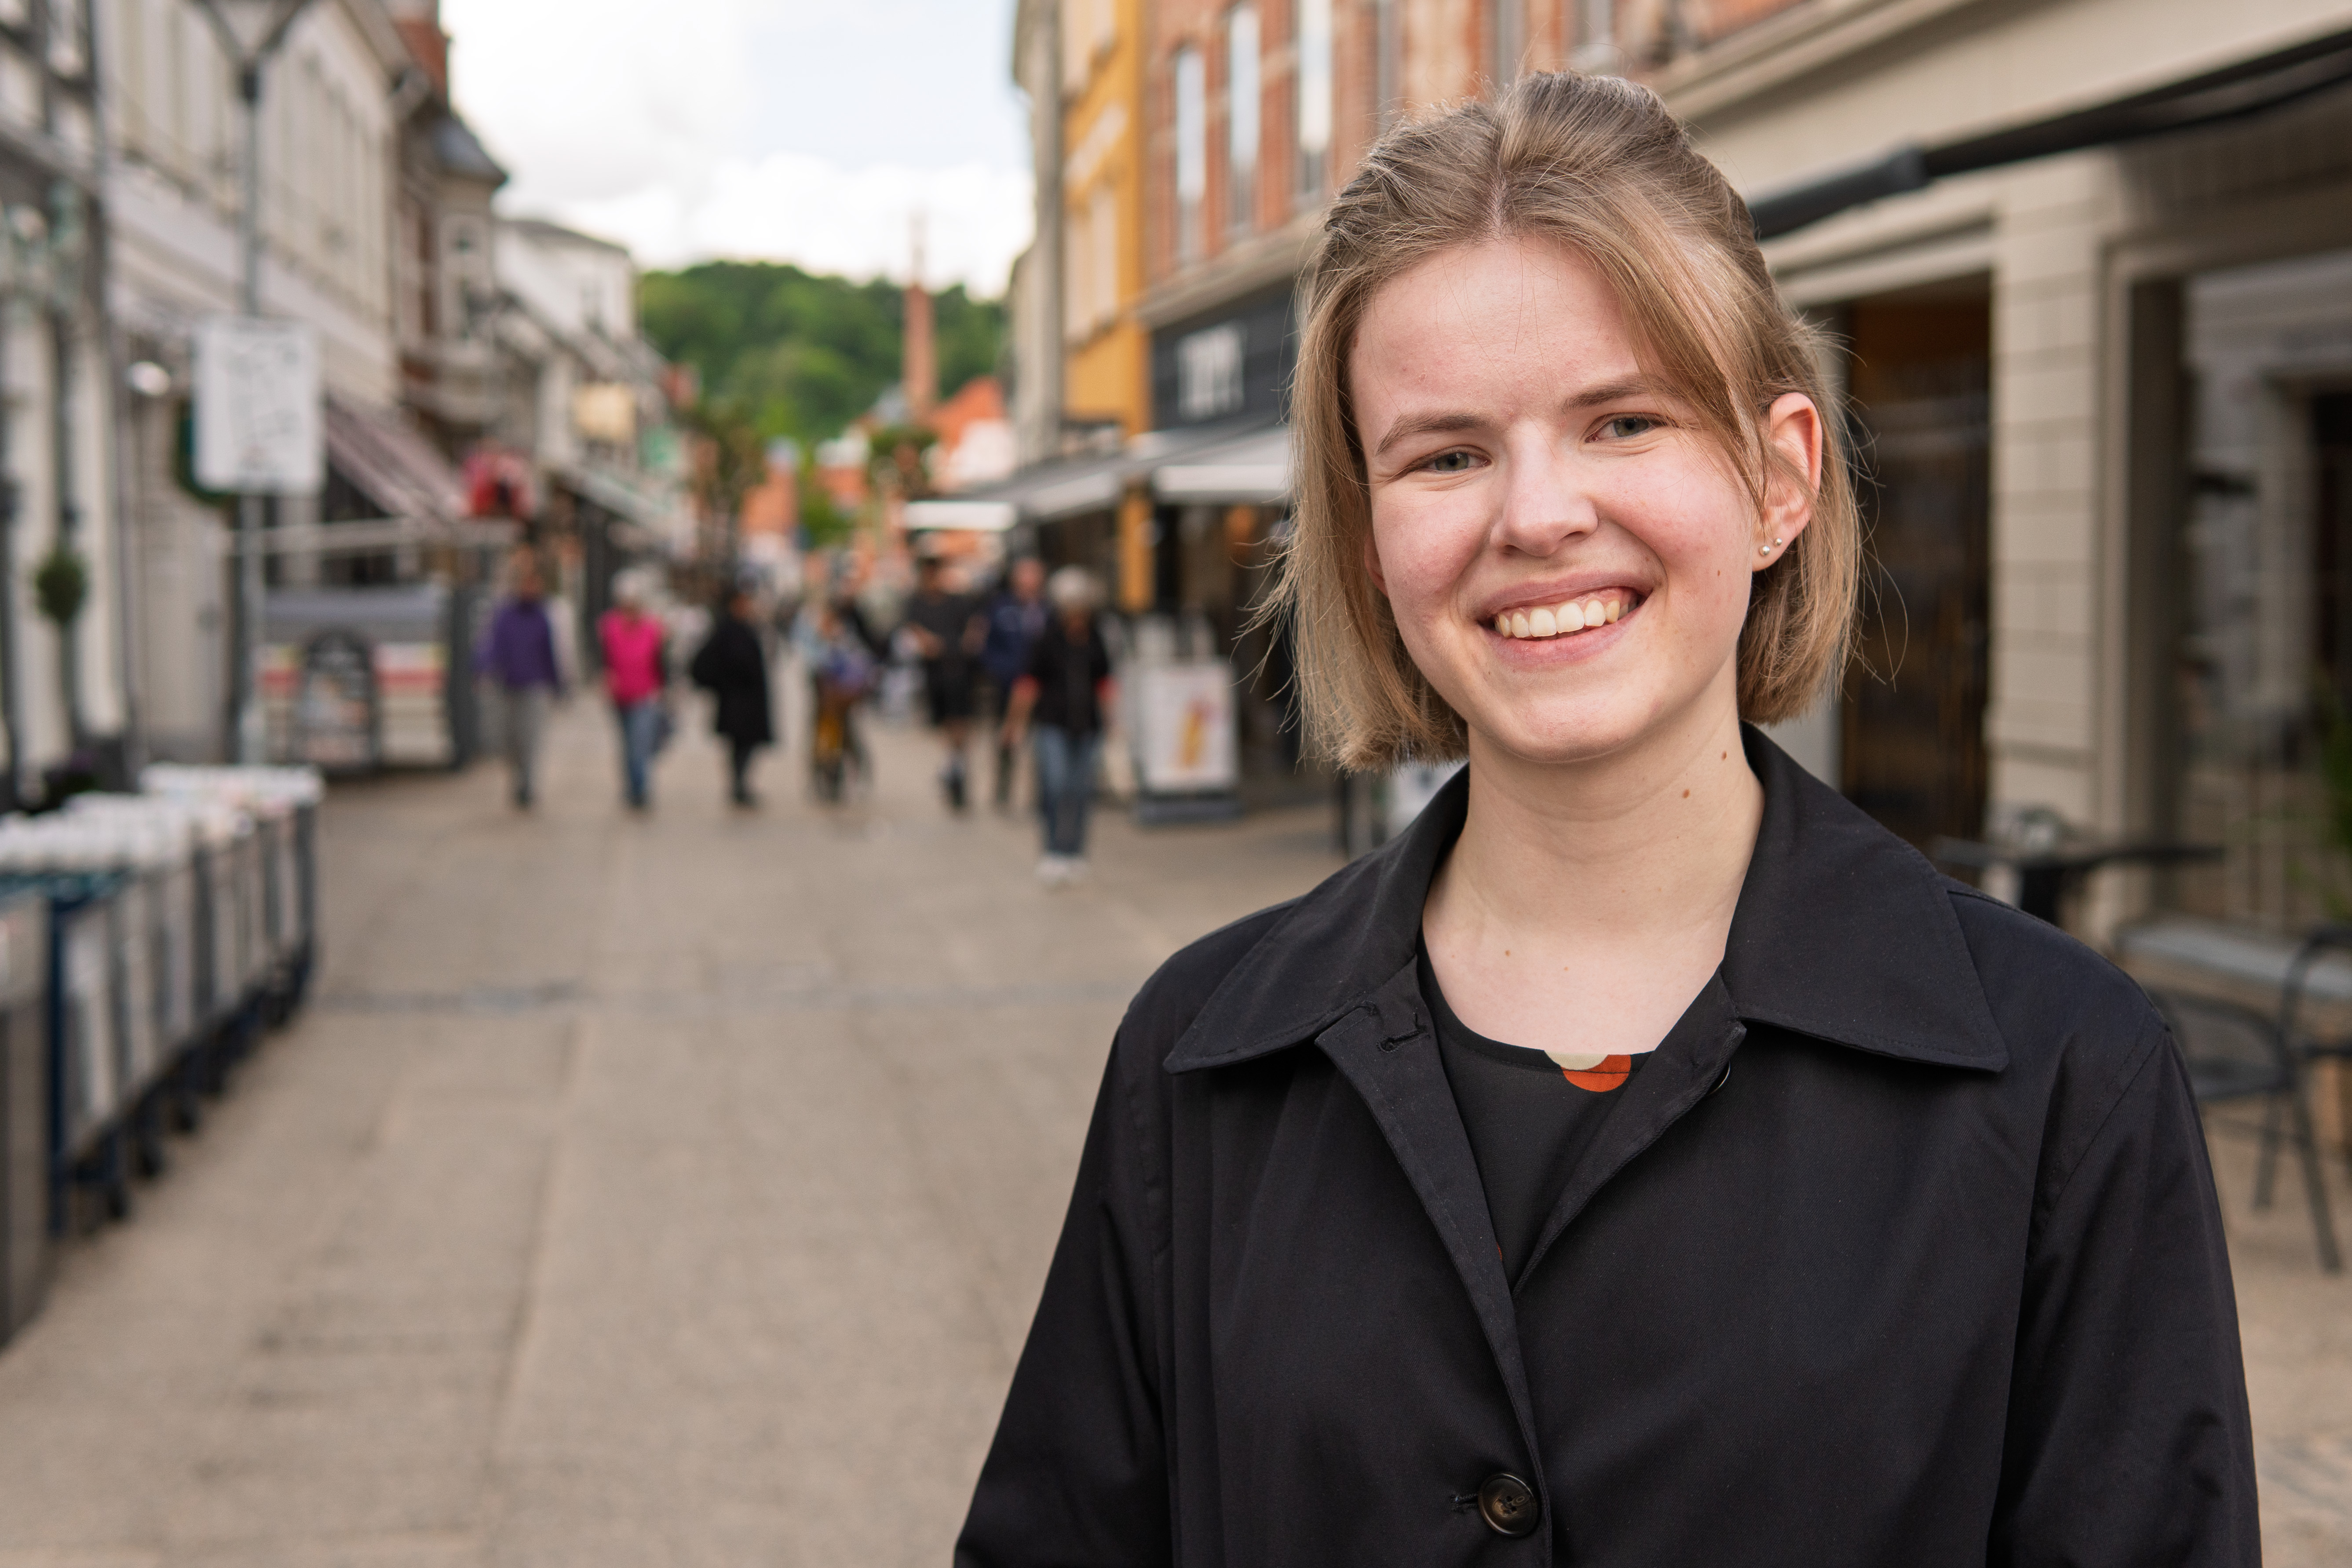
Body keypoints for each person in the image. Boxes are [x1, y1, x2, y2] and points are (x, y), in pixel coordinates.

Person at [956, 71, 2256, 1567]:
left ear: (1777, 476)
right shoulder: (1198, 1056)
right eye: (1444, 454)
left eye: (1621, 421)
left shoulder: (2062, 1081)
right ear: (1368, 530)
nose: (1534, 513)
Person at [999, 567, 1113, 886]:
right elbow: (1028, 684)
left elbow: (1104, 681)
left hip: (1088, 725)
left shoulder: (1096, 637)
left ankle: (1075, 852)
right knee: (1055, 786)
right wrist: (1014, 724)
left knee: (1080, 790)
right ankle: (1053, 851)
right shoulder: (1047, 638)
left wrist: (1114, 724)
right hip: (1053, 724)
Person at [472, 548, 564, 809]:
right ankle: (518, 776)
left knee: (531, 737)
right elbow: (492, 646)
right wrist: (482, 669)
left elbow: (550, 653)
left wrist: (557, 685)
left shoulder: (542, 617)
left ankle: (527, 784)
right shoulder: (505, 615)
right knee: (510, 738)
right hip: (508, 686)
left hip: (534, 686)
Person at [902, 549, 986, 811]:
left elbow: (976, 625)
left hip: (959, 670)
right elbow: (910, 630)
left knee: (960, 721)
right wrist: (926, 642)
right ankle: (953, 764)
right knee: (944, 723)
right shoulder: (916, 603)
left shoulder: (957, 602)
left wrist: (969, 642)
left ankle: (956, 765)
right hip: (935, 672)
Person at [688, 584, 775, 807]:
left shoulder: (745, 627)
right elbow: (706, 664)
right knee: (740, 745)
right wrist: (723, 683)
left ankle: (740, 784)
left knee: (745, 745)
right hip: (737, 701)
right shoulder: (727, 630)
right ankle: (738, 785)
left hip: (746, 701)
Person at [979, 556, 1048, 810]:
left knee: (1042, 743)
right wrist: (1004, 672)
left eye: (1034, 575)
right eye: (1025, 575)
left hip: (1042, 689)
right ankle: (1003, 794)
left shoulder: (1049, 610)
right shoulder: (1000, 608)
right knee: (1006, 739)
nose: (1030, 581)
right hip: (1008, 686)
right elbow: (987, 647)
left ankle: (1041, 796)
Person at [597, 577, 668, 812]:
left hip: (645, 694)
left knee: (640, 744)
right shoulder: (610, 626)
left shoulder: (653, 627)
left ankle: (640, 788)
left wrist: (664, 689)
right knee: (627, 744)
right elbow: (605, 659)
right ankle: (631, 785)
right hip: (620, 695)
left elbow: (661, 661)